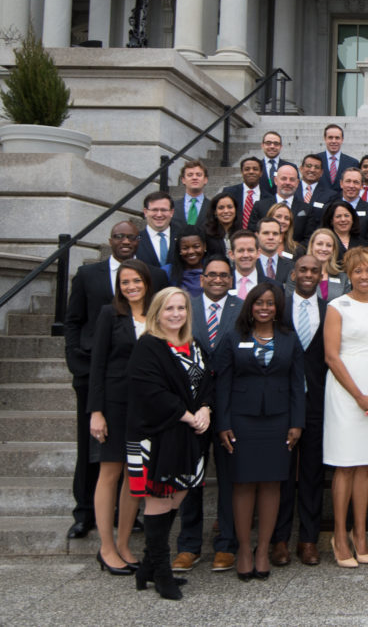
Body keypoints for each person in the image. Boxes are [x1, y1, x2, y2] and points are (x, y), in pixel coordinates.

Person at [64, 222, 169, 540]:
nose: (125, 241)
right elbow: (73, 322)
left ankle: (125, 532)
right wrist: (77, 366)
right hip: (104, 388)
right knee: (100, 460)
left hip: (142, 399)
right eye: (119, 236)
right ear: (110, 241)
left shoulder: (155, 303)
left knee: (132, 466)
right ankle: (89, 521)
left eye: (132, 237)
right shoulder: (94, 287)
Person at [126, 288, 212, 600]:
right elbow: (151, 392)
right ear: (157, 313)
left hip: (188, 435)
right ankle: (162, 573)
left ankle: (148, 565)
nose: (176, 314)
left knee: (178, 496)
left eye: (181, 308)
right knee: (159, 501)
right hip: (157, 435)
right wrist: (188, 416)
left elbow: (208, 381)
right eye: (169, 309)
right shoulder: (148, 345)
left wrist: (205, 409)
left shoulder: (194, 344)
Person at [215, 283, 305, 581]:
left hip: (279, 421)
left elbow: (296, 385)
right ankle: (243, 549)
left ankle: (264, 549)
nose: (264, 307)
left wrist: (297, 422)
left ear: (278, 307)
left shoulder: (290, 340)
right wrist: (223, 424)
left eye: (270, 303)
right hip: (242, 421)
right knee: (242, 485)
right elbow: (223, 384)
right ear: (249, 306)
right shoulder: (233, 337)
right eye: (258, 303)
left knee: (271, 485)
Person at [322, 247, 368, 567]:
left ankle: (360, 533)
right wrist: (358, 396)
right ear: (348, 274)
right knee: (345, 463)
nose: (364, 276)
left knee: (365, 464)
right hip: (345, 389)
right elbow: (331, 356)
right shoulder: (337, 306)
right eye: (358, 271)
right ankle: (339, 535)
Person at [173, 256, 242, 574]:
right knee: (191, 476)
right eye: (211, 275)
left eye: (223, 275)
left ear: (232, 279)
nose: (217, 279)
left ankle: (226, 544)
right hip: (192, 408)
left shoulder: (242, 308)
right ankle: (188, 545)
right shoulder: (183, 308)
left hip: (230, 405)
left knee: (230, 479)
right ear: (201, 279)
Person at [88, 259, 151, 575]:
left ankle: (125, 544)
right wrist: (96, 411)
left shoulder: (155, 314)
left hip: (145, 407)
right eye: (125, 282)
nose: (131, 287)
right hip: (114, 404)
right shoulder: (109, 314)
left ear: (146, 282)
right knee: (110, 472)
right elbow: (97, 364)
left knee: (134, 475)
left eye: (136, 281)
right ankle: (106, 547)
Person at [271, 256, 330, 567]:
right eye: (303, 270)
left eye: (314, 271)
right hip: (281, 403)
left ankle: (308, 539)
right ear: (293, 273)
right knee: (281, 473)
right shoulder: (277, 309)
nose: (308, 275)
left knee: (311, 474)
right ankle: (279, 539)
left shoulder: (329, 310)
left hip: (317, 404)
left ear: (321, 276)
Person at [304, 228, 352, 300]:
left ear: (333, 250)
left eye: (329, 245)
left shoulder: (343, 278)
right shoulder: (299, 274)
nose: (324, 249)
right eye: (319, 244)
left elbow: (346, 305)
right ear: (311, 246)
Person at [135, 191, 180, 269]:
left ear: (171, 212)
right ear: (145, 212)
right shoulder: (135, 240)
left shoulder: (182, 237)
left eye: (164, 210)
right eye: (154, 210)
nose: (159, 214)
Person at [221, 157, 265, 230]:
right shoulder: (229, 192)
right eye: (247, 169)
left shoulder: (269, 197)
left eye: (255, 169)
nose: (251, 172)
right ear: (242, 172)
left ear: (261, 173)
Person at [163, 226, 206, 297]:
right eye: (185, 248)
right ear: (179, 250)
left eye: (196, 246)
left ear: (204, 246)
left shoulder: (213, 269)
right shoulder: (167, 272)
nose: (191, 251)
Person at [315, 123, 360, 191]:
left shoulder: (353, 163)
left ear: (342, 139)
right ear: (325, 139)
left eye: (337, 138)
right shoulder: (315, 160)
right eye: (330, 137)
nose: (334, 141)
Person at [172, 160, 210, 230]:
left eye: (199, 175)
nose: (194, 178)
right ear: (183, 180)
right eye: (190, 175)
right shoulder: (173, 206)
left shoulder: (213, 207)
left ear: (205, 180)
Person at [203, 192, 240, 257]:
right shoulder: (205, 234)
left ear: (235, 210)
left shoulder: (241, 233)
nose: (226, 211)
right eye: (221, 208)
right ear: (215, 212)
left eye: (230, 207)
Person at [258, 130, 294, 195]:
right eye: (268, 143)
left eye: (276, 144)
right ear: (262, 145)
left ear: (281, 147)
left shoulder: (291, 167)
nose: (272, 146)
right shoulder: (256, 167)